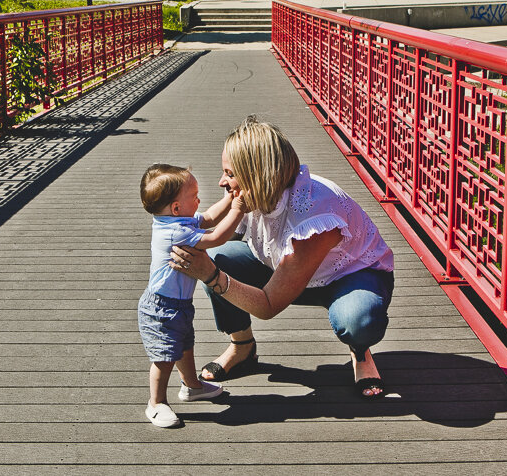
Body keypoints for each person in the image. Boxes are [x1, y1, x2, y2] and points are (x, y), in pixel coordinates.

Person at [169, 116, 394, 399]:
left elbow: (268, 306)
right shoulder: (254, 193)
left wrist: (210, 275)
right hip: (287, 269)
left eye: (229, 173)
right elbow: (221, 238)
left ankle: (361, 352)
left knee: (358, 320)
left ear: (257, 175)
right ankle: (242, 347)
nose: (221, 181)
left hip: (350, 276)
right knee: (219, 256)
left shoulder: (314, 214)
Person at [137, 164, 246, 428]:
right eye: (194, 195)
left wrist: (228, 199)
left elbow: (207, 218)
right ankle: (156, 403)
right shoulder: (176, 231)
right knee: (164, 357)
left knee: (185, 346)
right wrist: (238, 209)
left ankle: (192, 386)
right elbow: (217, 236)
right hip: (161, 308)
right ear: (176, 207)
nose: (199, 200)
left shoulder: (175, 220)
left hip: (178, 304)